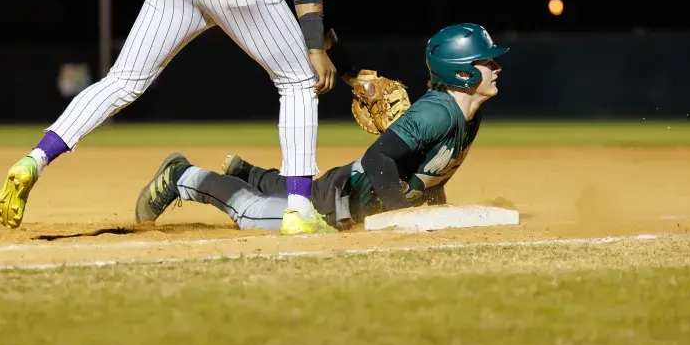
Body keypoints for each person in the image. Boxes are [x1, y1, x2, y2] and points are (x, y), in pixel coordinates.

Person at [0, 0, 412, 233]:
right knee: (299, 81)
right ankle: (300, 209)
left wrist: (349, 72)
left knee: (122, 81)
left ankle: (36, 159)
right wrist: (315, 53)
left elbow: (300, 10)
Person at [134, 23, 508, 233]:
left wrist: (433, 209)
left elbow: (432, 173)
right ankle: (183, 176)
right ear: (463, 72)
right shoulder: (437, 113)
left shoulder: (468, 117)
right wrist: (402, 216)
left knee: (305, 188)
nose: (497, 68)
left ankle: (249, 173)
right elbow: (377, 159)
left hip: (343, 192)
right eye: (488, 62)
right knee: (252, 213)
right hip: (333, 207)